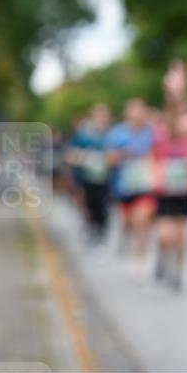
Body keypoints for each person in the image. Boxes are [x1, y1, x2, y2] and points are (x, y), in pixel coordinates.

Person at [153, 61, 187, 290]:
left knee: (182, 235)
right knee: (166, 236)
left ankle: (178, 271)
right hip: (165, 189)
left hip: (185, 190)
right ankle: (163, 257)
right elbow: (173, 119)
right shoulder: (163, 131)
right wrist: (176, 92)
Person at [106, 98, 158, 277]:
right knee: (128, 222)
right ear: (127, 114)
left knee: (141, 222)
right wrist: (123, 154)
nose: (137, 116)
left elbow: (158, 155)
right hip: (123, 186)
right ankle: (125, 238)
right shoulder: (117, 133)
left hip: (145, 186)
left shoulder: (152, 132)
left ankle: (139, 262)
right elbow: (109, 160)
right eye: (133, 112)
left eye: (140, 112)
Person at [66, 103, 114, 244]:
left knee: (103, 206)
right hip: (87, 178)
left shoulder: (112, 134)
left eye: (104, 115)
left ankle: (101, 230)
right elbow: (70, 154)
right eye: (99, 115)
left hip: (107, 178)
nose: (101, 118)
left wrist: (109, 159)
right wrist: (86, 158)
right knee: (89, 204)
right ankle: (91, 228)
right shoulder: (83, 135)